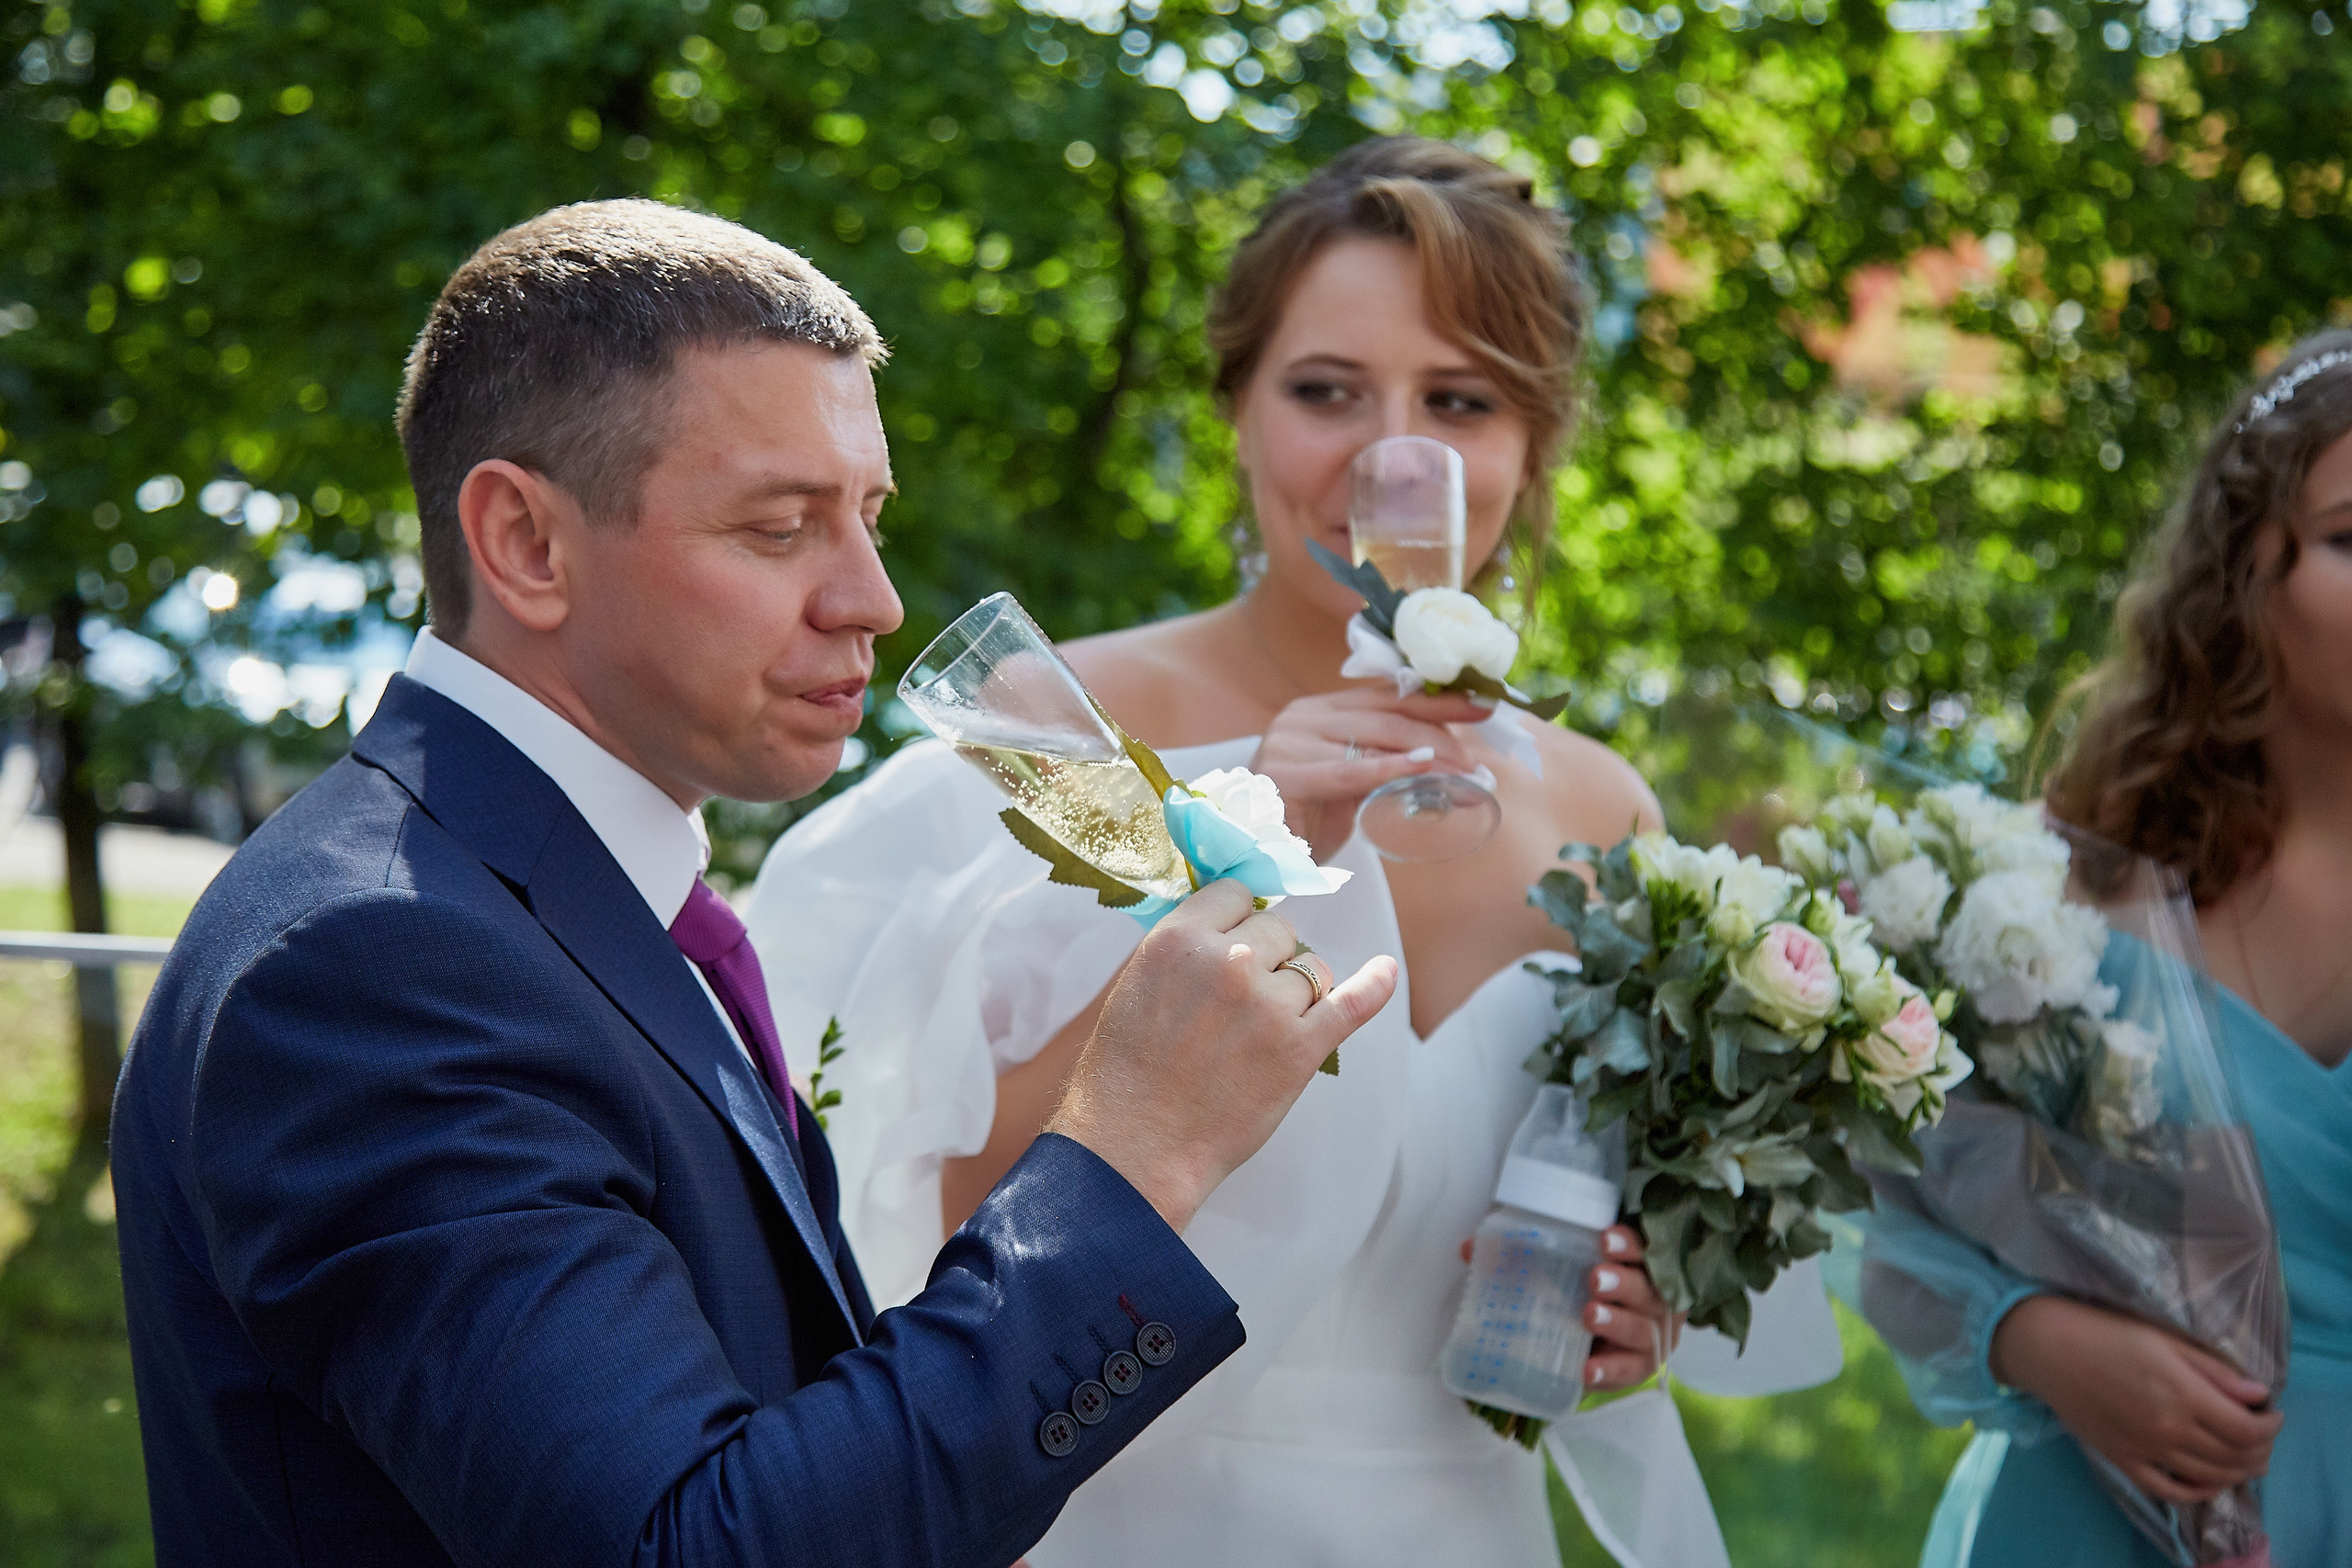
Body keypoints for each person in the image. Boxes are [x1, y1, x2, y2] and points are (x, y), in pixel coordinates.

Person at [107, 199, 1399, 1568]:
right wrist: (1136, 1154)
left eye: (869, 516)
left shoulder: (587, 908)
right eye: (783, 528)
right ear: (527, 545)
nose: (876, 600)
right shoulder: (376, 964)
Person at [746, 138, 1842, 1568]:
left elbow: (1612, 1219)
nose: (1396, 458)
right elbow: (932, 1202)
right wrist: (1244, 848)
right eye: (1328, 392)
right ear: (1241, 411)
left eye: (1461, 400)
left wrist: (1634, 1312)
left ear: (1534, 442)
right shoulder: (1059, 728)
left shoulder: (1603, 808)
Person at [1849, 332, 2352, 1567]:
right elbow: (1898, 1216)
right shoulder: (2062, 897)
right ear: (2249, 572)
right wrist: (2034, 1339)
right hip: (2081, 1518)